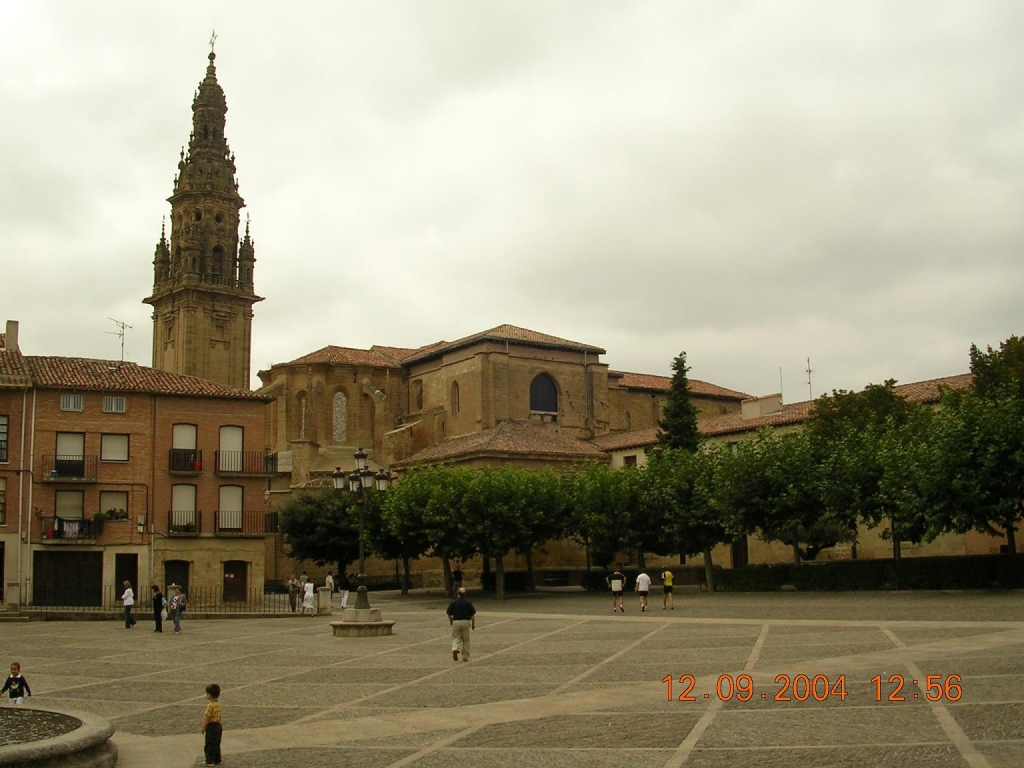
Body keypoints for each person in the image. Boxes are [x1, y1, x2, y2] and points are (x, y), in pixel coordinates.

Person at [445, 587, 476, 662]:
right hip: (466, 621)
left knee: (456, 637)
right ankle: (465, 656)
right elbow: (472, 615)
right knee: (466, 639)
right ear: (465, 594)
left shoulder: (453, 602)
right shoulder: (468, 602)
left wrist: (451, 621)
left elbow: (449, 614)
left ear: (458, 593)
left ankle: (455, 649)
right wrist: (473, 624)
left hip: (456, 621)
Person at [200, 682, 222, 766]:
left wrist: (203, 727)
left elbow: (207, 717)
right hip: (218, 726)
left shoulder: (210, 706)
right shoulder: (218, 704)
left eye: (207, 693)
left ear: (210, 695)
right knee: (216, 743)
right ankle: (217, 758)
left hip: (212, 726)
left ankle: (209, 761)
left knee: (209, 744)